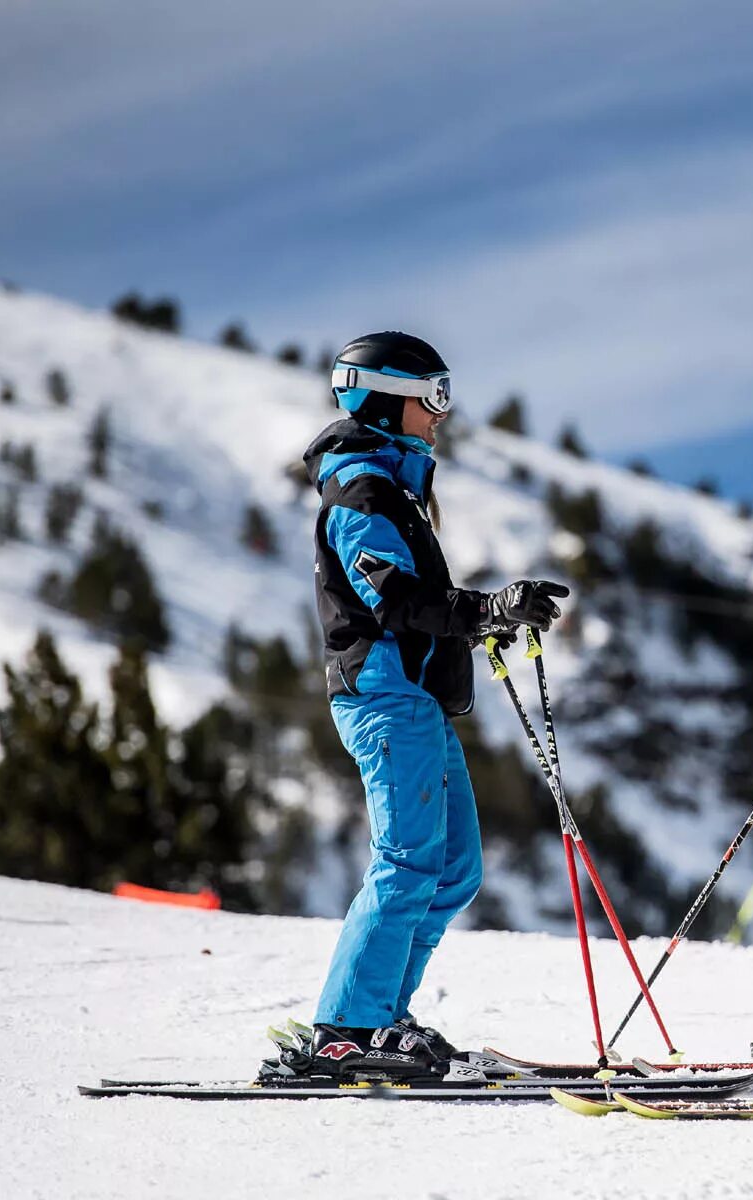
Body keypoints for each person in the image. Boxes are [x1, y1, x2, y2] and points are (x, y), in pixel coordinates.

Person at [288, 331, 569, 1080]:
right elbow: (397, 598)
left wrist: (487, 621)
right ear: (382, 398)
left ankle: (382, 1014)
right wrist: (483, 611)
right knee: (409, 860)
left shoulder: (393, 487)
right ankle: (347, 1029)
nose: (442, 414)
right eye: (432, 397)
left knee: (452, 869)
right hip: (384, 695)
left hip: (416, 698)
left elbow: (418, 604)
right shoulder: (362, 492)